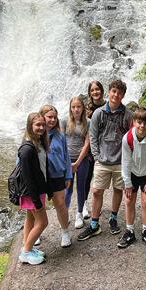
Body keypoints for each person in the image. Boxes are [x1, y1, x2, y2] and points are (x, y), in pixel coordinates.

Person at [78, 79, 132, 241]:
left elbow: (131, 137)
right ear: (109, 92)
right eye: (114, 91)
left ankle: (113, 218)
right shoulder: (98, 113)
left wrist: (128, 159)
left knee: (118, 190)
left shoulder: (127, 114)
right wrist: (96, 156)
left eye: (120, 93)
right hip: (102, 160)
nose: (116, 95)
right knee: (96, 191)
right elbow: (93, 136)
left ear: (123, 95)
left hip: (120, 161)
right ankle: (94, 224)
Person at [118, 107, 146, 249]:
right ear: (134, 122)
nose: (142, 126)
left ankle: (145, 230)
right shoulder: (127, 138)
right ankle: (129, 231)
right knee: (129, 200)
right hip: (132, 171)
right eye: (139, 122)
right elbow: (125, 161)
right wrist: (127, 182)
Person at [18, 113, 50, 265]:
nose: (41, 128)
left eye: (43, 125)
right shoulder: (27, 150)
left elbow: (42, 169)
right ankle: (25, 252)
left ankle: (28, 247)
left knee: (30, 218)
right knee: (43, 222)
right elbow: (28, 178)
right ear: (30, 126)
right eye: (38, 125)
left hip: (37, 190)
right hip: (32, 193)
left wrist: (47, 189)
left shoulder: (38, 143)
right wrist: (36, 199)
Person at [39, 104, 73, 248]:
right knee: (37, 207)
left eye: (54, 117)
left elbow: (66, 157)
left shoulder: (60, 136)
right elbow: (23, 155)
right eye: (49, 117)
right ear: (42, 117)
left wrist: (68, 175)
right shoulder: (36, 134)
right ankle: (36, 233)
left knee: (60, 204)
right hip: (40, 176)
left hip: (57, 175)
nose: (52, 120)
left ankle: (65, 233)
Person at [61, 97, 90, 229]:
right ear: (70, 108)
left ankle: (79, 214)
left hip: (82, 159)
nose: (76, 109)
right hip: (67, 160)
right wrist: (67, 163)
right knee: (68, 188)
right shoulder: (64, 121)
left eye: (78, 106)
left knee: (81, 187)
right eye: (73, 107)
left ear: (83, 108)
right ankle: (65, 213)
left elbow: (87, 144)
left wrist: (77, 162)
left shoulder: (88, 122)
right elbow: (62, 142)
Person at [83, 80, 105, 219]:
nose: (95, 92)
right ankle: (83, 204)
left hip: (104, 147)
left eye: (97, 89)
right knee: (87, 176)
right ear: (89, 93)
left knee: (100, 178)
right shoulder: (86, 109)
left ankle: (97, 206)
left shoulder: (108, 106)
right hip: (89, 148)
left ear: (102, 90)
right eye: (92, 90)